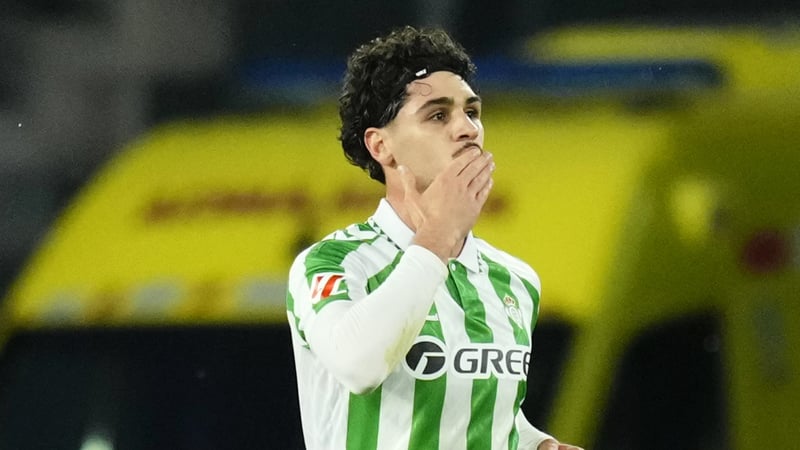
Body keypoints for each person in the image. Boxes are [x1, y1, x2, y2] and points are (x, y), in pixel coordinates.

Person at [286, 26, 583, 450]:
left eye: (472, 112)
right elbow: (359, 366)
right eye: (438, 115)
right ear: (381, 146)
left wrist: (535, 443)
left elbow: (483, 411)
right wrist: (438, 235)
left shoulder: (516, 280)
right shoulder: (333, 263)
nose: (467, 129)